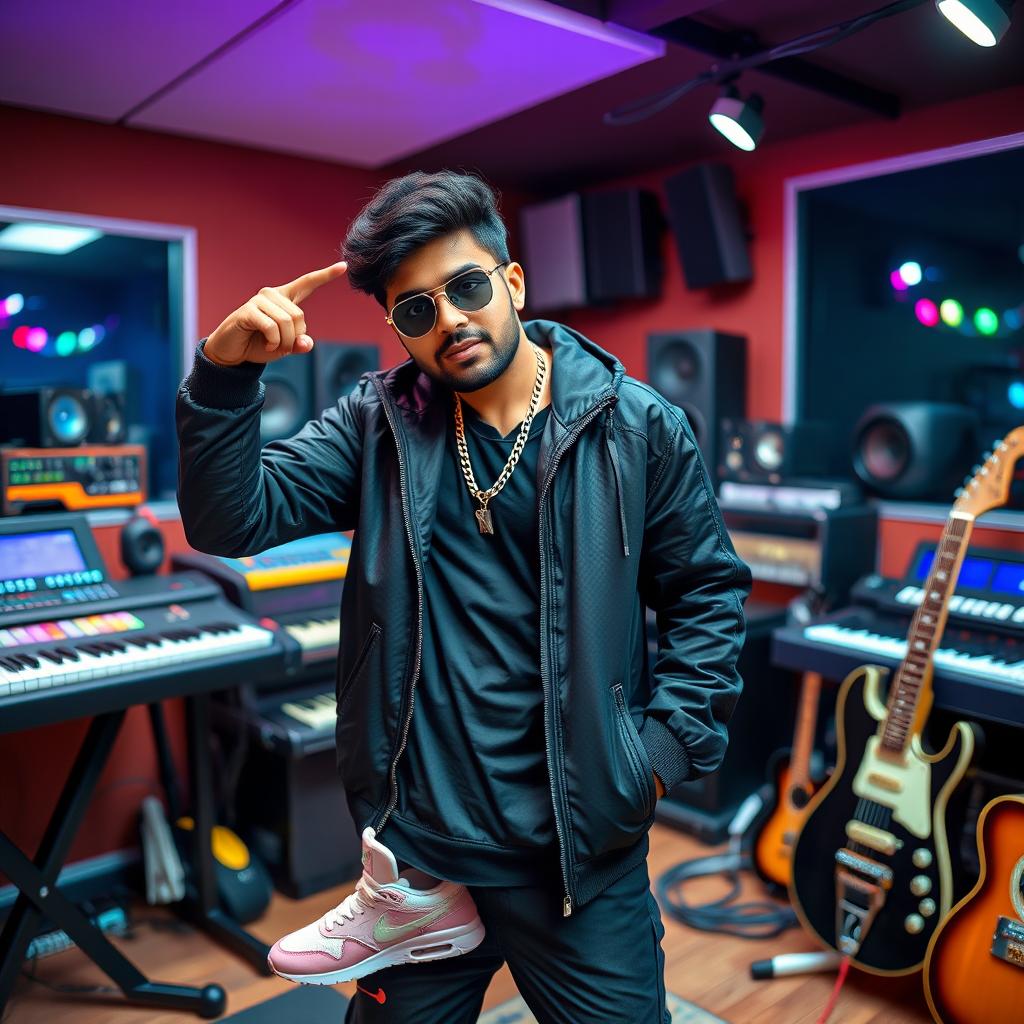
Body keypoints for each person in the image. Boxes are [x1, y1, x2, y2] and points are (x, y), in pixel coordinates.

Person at [175, 170, 751, 1023]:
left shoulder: (638, 427)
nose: (448, 320)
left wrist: (657, 757)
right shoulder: (376, 427)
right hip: (418, 874)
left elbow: (707, 593)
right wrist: (224, 375)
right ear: (397, 329)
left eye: (467, 287)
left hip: (576, 860)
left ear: (512, 283)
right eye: (415, 309)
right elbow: (232, 520)